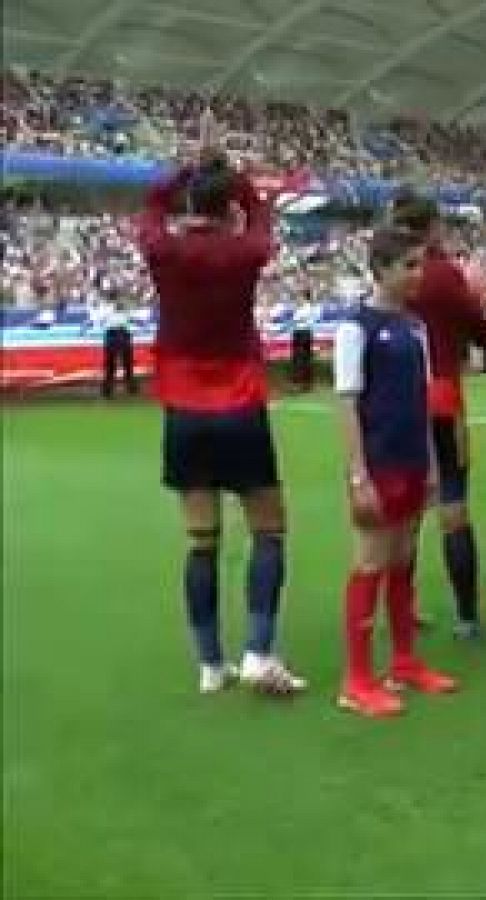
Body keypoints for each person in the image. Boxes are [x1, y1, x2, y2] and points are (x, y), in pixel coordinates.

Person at [135, 150, 303, 696]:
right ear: (228, 206)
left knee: (202, 543)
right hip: (240, 402)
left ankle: (210, 665)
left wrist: (187, 169)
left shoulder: (165, 251)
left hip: (184, 408)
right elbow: (258, 215)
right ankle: (258, 650)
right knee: (269, 532)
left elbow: (153, 205)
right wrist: (235, 179)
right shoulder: (244, 252)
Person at [332, 227, 458, 718]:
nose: (417, 275)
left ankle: (405, 662)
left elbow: (422, 401)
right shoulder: (356, 329)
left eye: (419, 264)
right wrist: (358, 475)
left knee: (405, 559)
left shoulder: (415, 328)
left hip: (410, 459)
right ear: (380, 269)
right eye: (408, 265)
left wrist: (429, 461)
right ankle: (357, 678)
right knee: (371, 561)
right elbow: (346, 405)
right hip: (378, 462)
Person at [390, 189, 486, 639]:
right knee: (453, 505)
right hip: (440, 394)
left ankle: (402, 609)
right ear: (433, 227)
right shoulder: (441, 273)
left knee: (405, 509)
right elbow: (480, 329)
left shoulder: (388, 272)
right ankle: (467, 615)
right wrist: (481, 300)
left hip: (396, 399)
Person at [98, 296, 135, 399]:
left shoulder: (126, 310)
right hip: (113, 334)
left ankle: (130, 387)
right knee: (111, 364)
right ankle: (107, 390)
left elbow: (131, 321)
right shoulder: (106, 309)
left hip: (121, 334)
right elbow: (102, 321)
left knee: (127, 363)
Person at [289, 290, 318, 392]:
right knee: (297, 358)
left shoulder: (308, 308)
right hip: (298, 332)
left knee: (302, 358)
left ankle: (303, 383)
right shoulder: (300, 308)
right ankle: (300, 382)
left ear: (304, 297)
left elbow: (297, 320)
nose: (298, 299)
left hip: (304, 333)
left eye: (299, 296)